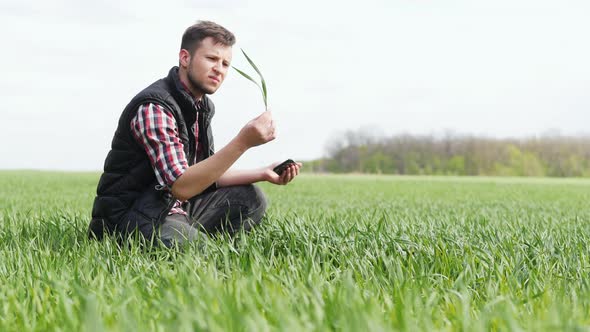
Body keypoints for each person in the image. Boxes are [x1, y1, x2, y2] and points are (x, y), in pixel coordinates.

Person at [88, 20, 301, 247]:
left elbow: (203, 174)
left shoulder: (201, 107)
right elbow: (182, 185)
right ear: (185, 58)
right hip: (131, 219)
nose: (219, 68)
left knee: (251, 198)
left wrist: (263, 172)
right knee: (202, 254)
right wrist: (243, 142)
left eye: (225, 63)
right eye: (211, 59)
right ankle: (186, 242)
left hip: (170, 208)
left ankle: (186, 237)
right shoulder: (155, 108)